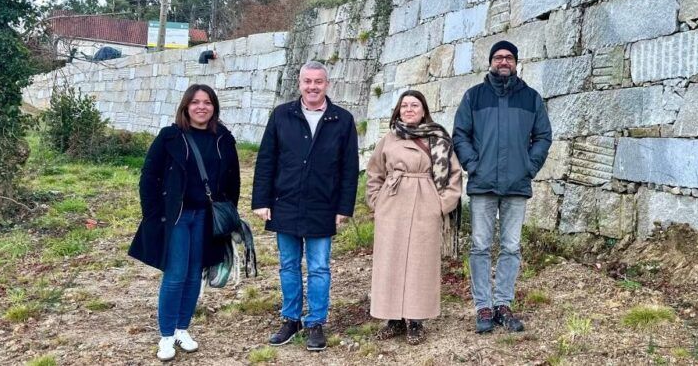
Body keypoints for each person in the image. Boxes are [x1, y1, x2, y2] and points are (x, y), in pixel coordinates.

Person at [251, 60, 359, 352]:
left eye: (318, 82)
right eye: (307, 81)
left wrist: (344, 207)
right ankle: (291, 318)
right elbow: (266, 160)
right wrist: (261, 200)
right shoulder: (281, 115)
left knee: (320, 267)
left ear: (327, 84)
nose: (312, 87)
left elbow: (350, 168)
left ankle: (315, 322)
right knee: (288, 265)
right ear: (299, 83)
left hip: (322, 204)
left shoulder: (342, 120)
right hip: (284, 201)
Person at [128, 84, 240, 361]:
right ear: (186, 106)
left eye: (207, 102)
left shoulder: (223, 137)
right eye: (196, 102)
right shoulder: (170, 137)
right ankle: (166, 336)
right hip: (177, 217)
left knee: (194, 275)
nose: (202, 107)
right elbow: (149, 177)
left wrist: (228, 214)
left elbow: (233, 178)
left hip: (205, 217)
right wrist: (155, 215)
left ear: (214, 107)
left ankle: (182, 328)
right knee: (176, 274)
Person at [453, 40, 552, 334]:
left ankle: (503, 304)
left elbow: (543, 137)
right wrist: (473, 164)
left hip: (516, 185)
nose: (504, 61)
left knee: (511, 247)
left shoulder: (531, 98)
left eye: (509, 57)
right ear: (491, 62)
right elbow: (460, 134)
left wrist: (528, 167)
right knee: (480, 246)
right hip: (483, 184)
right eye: (498, 57)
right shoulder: (474, 97)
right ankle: (483, 305)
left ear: (516, 62)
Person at [366, 90, 463, 345]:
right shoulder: (389, 139)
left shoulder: (438, 138)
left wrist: (440, 206)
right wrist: (377, 202)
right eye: (405, 105)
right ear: (398, 110)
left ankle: (416, 320)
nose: (409, 109)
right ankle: (392, 318)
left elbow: (454, 175)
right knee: (390, 261)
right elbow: (374, 172)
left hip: (425, 203)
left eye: (415, 105)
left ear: (423, 110)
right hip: (392, 204)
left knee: (421, 263)